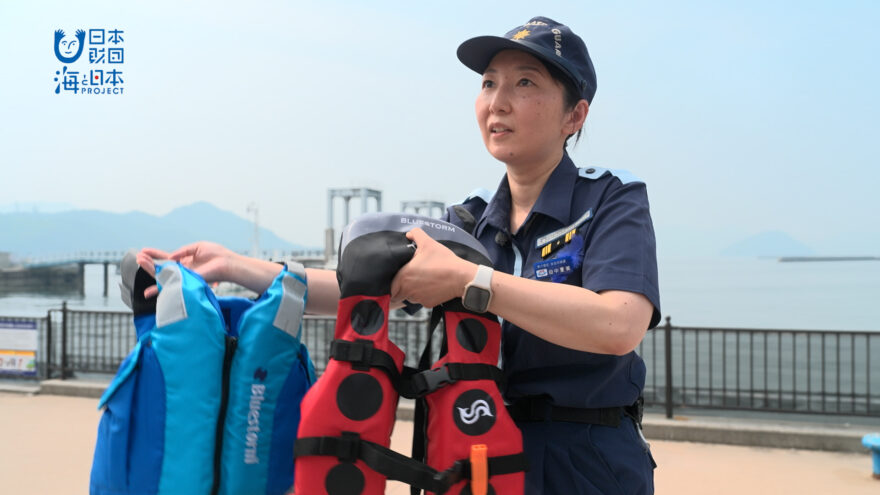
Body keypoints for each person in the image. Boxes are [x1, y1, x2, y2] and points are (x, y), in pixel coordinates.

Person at [138, 16, 660, 495]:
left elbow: (618, 325)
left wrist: (469, 279)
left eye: (525, 83)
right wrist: (233, 268)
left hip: (589, 457)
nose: (498, 101)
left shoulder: (611, 200)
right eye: (488, 83)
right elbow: (361, 286)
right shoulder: (469, 222)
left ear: (576, 113)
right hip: (485, 449)